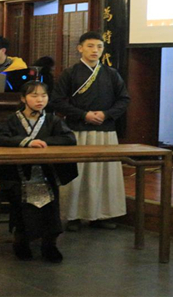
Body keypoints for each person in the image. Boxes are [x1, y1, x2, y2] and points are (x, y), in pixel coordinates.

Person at [51, 31, 130, 231]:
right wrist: (83, 115)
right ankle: (74, 216)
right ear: (80, 48)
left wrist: (106, 114)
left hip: (105, 130)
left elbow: (124, 99)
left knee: (105, 173)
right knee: (78, 174)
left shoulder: (111, 74)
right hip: (78, 130)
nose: (95, 50)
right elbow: (57, 101)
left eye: (99, 47)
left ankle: (102, 215)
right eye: (90, 46)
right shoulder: (70, 73)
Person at [0, 80, 77, 263]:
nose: (40, 100)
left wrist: (45, 142)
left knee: (51, 204)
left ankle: (49, 244)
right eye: (34, 95)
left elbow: (69, 138)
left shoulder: (53, 120)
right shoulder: (11, 120)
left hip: (46, 173)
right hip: (18, 174)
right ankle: (21, 241)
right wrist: (27, 142)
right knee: (21, 205)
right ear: (23, 98)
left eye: (44, 96)